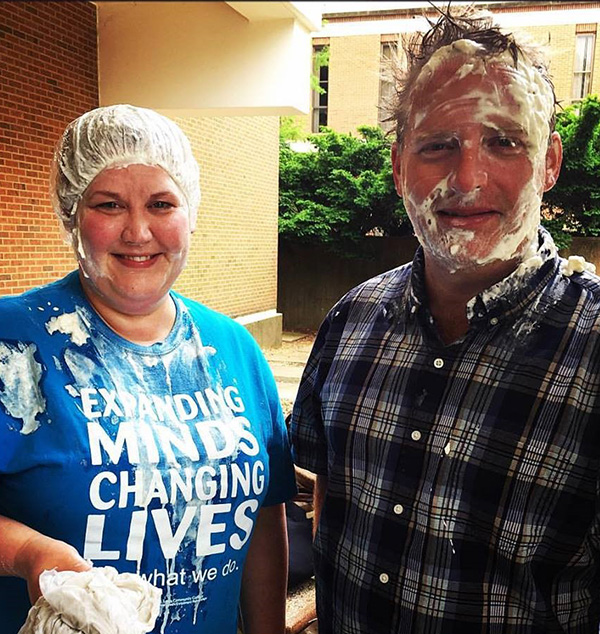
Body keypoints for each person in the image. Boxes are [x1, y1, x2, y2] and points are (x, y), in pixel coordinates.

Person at [290, 5, 600, 634]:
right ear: (400, 164)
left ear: (550, 163)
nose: (467, 177)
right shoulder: (351, 321)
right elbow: (324, 495)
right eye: (438, 146)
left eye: (504, 142)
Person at [0, 104, 297, 634]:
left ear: (190, 212)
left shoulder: (234, 348)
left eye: (161, 204)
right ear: (72, 213)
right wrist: (26, 551)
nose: (138, 232)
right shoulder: (13, 342)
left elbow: (265, 517)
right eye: (109, 204)